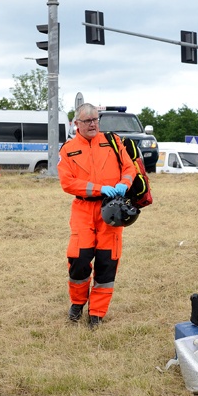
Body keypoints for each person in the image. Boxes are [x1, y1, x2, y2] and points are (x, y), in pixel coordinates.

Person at [58, 103, 137, 329]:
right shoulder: (68, 149)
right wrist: (98, 188)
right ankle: (77, 303)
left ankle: (97, 314)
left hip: (111, 210)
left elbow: (129, 168)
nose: (92, 124)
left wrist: (124, 183)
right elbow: (68, 182)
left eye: (95, 120)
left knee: (107, 262)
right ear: (77, 124)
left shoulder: (113, 143)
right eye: (87, 121)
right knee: (79, 260)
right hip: (83, 209)